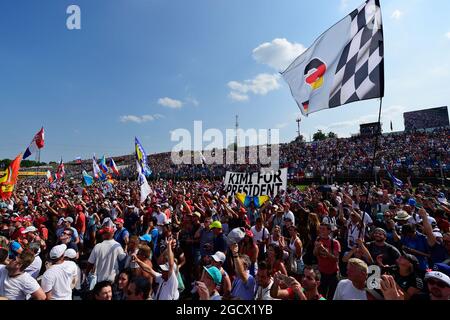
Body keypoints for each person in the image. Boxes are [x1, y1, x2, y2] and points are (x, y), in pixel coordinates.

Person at [314, 223, 341, 300]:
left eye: (323, 229)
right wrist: (316, 247)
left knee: (331, 296)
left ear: (329, 231)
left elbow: (336, 258)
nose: (321, 231)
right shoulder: (318, 240)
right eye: (320, 228)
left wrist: (324, 250)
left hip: (333, 274)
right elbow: (315, 254)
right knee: (321, 294)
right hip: (321, 273)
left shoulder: (335, 243)